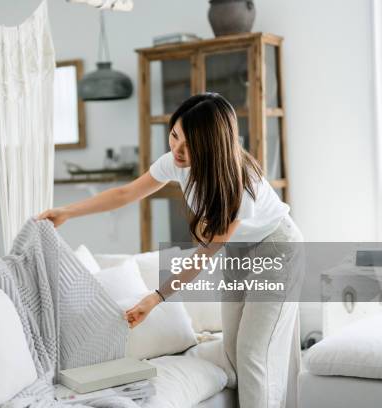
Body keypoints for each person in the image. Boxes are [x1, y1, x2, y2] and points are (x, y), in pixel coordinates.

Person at [38, 93, 304, 408]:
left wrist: (156, 297)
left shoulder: (238, 183)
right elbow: (126, 193)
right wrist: (69, 211)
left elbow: (205, 253)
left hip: (276, 249)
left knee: (252, 353)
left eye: (190, 144)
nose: (177, 150)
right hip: (240, 250)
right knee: (233, 350)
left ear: (211, 146)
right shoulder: (175, 162)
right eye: (175, 135)